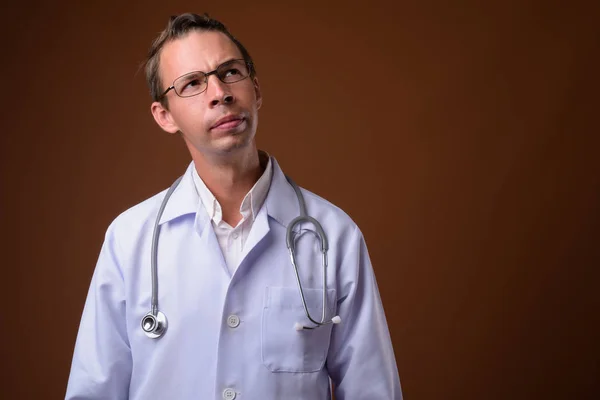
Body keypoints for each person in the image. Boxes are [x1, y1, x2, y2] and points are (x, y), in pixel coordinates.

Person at [65, 12, 402, 400]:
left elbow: (371, 390)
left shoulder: (334, 235)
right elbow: (93, 392)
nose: (219, 92)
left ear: (255, 90)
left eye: (229, 73)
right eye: (192, 83)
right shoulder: (129, 239)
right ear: (164, 116)